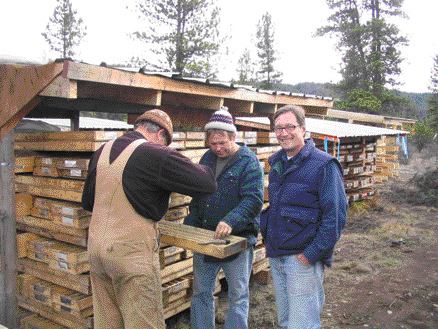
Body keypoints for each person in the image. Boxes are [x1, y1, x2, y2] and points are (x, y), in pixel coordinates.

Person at [82, 109, 217, 329]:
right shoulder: (155, 153)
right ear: (160, 134)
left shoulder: (101, 151)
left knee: (107, 323)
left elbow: (88, 202)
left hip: (96, 252)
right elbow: (206, 183)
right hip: (130, 257)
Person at [260, 105, 348, 329]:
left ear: (303, 129)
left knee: (303, 324)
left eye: (290, 126)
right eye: (278, 128)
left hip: (302, 258)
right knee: (286, 321)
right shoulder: (278, 162)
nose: (283, 133)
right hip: (278, 254)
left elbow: (335, 217)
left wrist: (311, 254)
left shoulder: (324, 165)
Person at [184, 107, 264, 329]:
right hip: (206, 239)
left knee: (238, 295)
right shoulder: (207, 158)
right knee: (201, 292)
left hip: (237, 241)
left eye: (222, 143)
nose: (217, 148)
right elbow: (199, 195)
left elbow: (253, 200)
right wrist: (190, 226)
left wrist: (230, 220)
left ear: (233, 136)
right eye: (213, 143)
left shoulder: (249, 162)